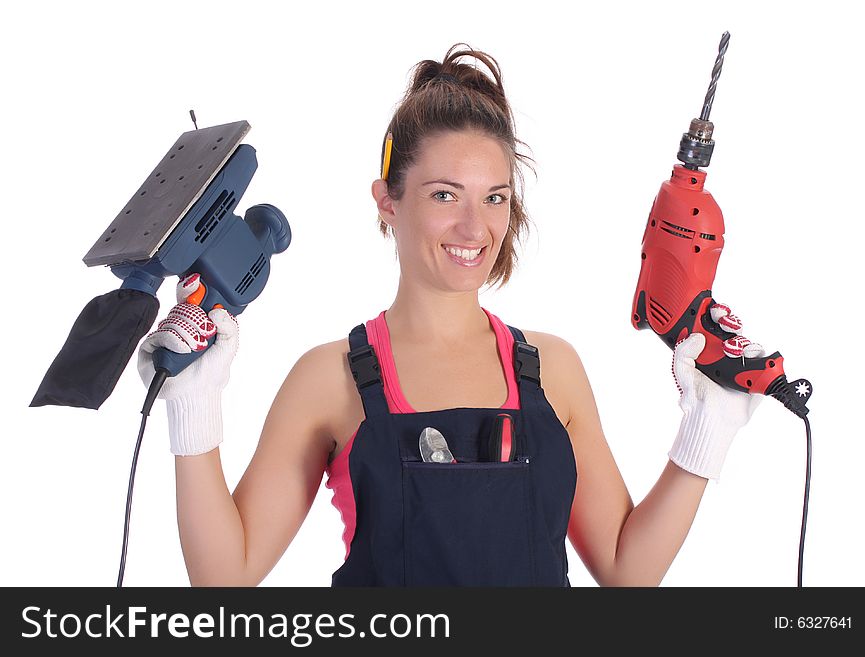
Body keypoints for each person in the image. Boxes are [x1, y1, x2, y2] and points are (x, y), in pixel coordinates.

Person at [137, 43, 764, 587]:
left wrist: (706, 431)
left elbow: (628, 571)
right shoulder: (327, 380)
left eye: (494, 198)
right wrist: (194, 408)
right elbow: (225, 578)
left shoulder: (553, 370)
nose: (474, 227)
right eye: (444, 195)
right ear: (387, 201)